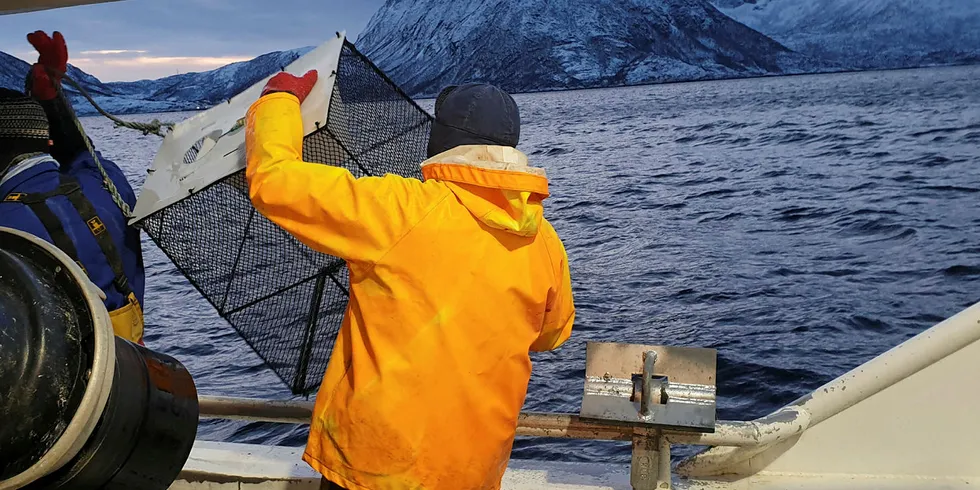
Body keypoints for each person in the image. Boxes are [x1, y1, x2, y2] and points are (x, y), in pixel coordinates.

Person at [245, 71, 575, 490]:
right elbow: (552, 334)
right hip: (470, 471)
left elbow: (276, 182)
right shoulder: (544, 241)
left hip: (377, 465)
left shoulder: (401, 209)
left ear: (441, 139)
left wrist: (279, 100)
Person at [0, 31, 145, 345]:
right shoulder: (106, 181)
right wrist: (51, 100)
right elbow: (80, 152)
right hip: (136, 374)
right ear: (44, 139)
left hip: (74, 391)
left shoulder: (5, 227)